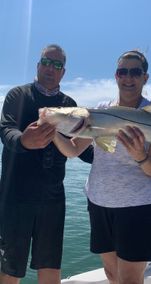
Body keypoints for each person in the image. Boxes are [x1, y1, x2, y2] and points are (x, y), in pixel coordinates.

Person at [52, 50, 151, 284]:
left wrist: (141, 156)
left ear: (145, 77)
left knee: (129, 280)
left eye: (135, 72)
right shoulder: (100, 109)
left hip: (139, 206)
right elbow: (73, 150)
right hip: (99, 202)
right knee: (111, 274)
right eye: (122, 71)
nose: (128, 77)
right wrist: (53, 131)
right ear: (116, 76)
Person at [0, 44, 93, 284]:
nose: (51, 68)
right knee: (10, 269)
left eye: (57, 65)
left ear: (63, 72)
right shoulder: (17, 95)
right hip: (14, 197)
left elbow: (82, 150)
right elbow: (6, 131)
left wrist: (116, 153)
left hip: (52, 199)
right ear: (38, 65)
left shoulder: (71, 105)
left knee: (50, 267)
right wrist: (24, 140)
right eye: (47, 62)